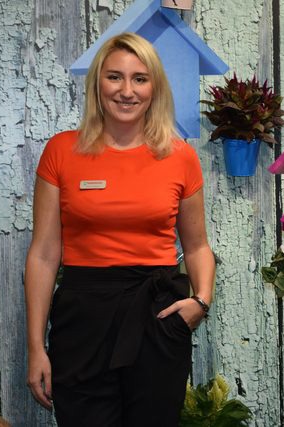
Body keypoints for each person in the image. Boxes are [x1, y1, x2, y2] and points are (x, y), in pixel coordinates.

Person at [24, 32, 215, 426]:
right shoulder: (61, 151)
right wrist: (35, 347)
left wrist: (200, 302)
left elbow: (197, 247)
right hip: (82, 317)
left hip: (157, 314)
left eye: (139, 79)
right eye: (115, 77)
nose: (127, 91)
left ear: (154, 88)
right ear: (98, 84)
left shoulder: (180, 156)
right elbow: (43, 254)